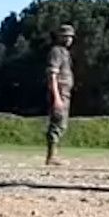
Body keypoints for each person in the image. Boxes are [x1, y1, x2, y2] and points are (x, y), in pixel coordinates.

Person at [45, 23, 75, 166]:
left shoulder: (65, 53)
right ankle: (52, 156)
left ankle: (54, 155)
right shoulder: (57, 52)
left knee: (62, 124)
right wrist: (56, 97)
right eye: (66, 36)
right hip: (60, 91)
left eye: (70, 36)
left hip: (65, 92)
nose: (69, 39)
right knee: (58, 123)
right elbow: (52, 75)